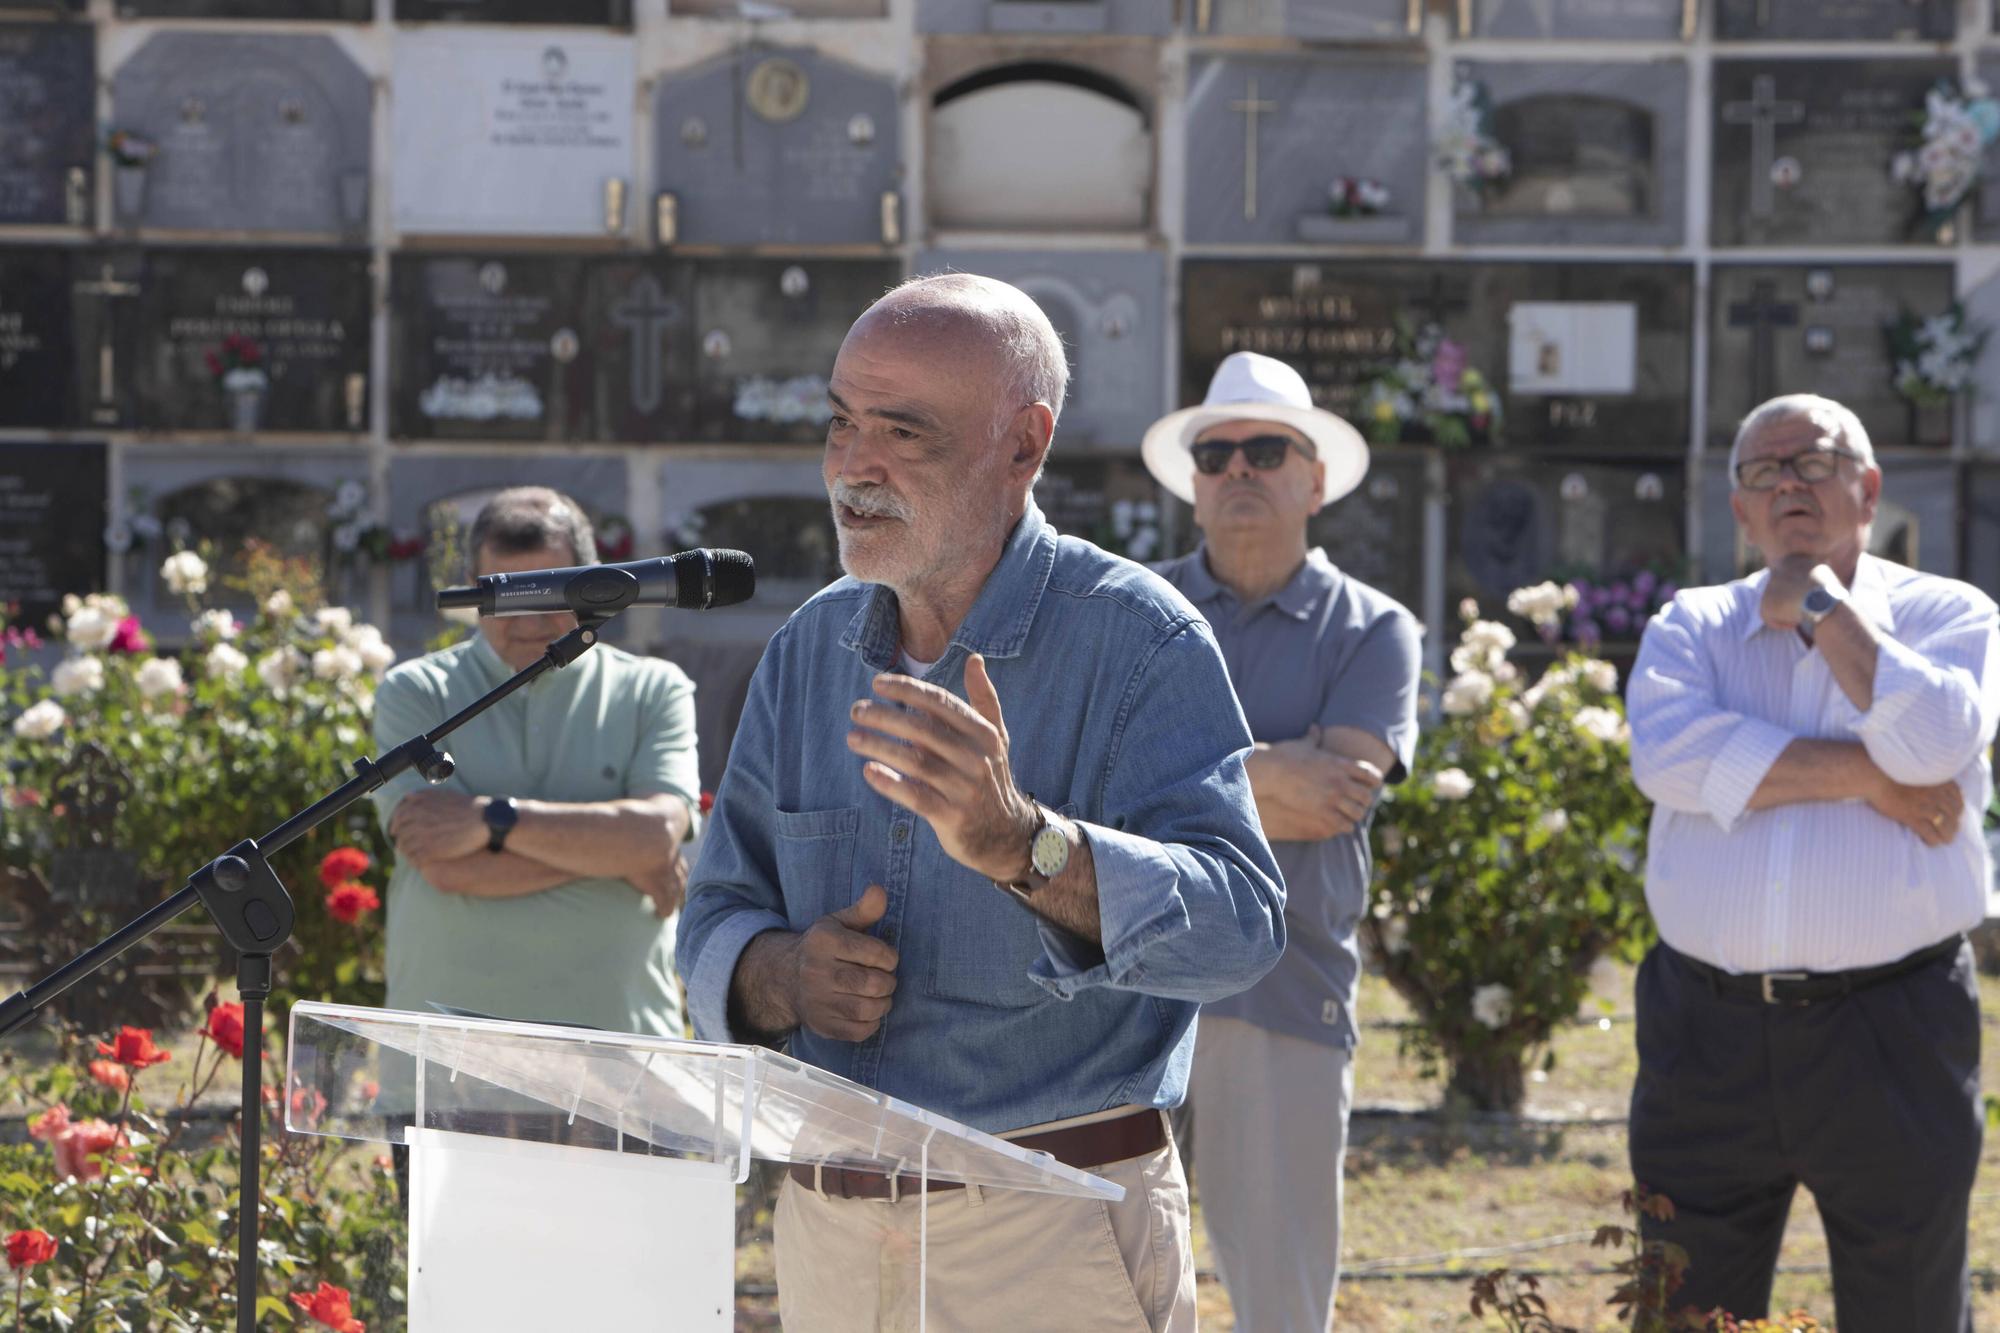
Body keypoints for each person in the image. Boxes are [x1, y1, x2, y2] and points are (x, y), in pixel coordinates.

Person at [676, 274, 1285, 1333]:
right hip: (828, 1237)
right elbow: (715, 913)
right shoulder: (807, 651)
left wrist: (1027, 849)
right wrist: (781, 975)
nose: (851, 467)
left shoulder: (1140, 643)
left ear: (1022, 445)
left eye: (902, 433)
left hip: (1047, 1235)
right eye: (839, 422)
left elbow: (1240, 929)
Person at [1625, 394, 1998, 1331]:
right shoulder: (1691, 625)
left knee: (1908, 1306)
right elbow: (1669, 759)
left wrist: (1824, 609)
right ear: (1740, 510)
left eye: (1813, 462)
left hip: (1894, 1025)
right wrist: (1872, 783)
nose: (1788, 482)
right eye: (1763, 471)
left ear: (1868, 489)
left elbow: (1938, 741)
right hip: (1703, 1032)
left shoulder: (1949, 614)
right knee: (1686, 1312)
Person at [1143, 351, 1420, 1333]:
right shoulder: (1135, 611)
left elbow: (1332, 798)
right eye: (1214, 453)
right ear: (1190, 483)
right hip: (1124, 989)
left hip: (1281, 990)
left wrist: (1163, 778)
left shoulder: (1372, 629)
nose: (1237, 470)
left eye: (1265, 449)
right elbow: (1081, 781)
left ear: (1314, 480)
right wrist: (1269, 769)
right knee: (1100, 1295)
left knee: (1281, 1309)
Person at [369, 486, 700, 1038]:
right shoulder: (416, 692)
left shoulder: (653, 689)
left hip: (623, 1064)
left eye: (550, 591)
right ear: (477, 594)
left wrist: (489, 822)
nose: (529, 617)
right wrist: (615, 855)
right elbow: (443, 865)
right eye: (508, 593)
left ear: (594, 587)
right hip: (445, 1063)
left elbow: (654, 839)